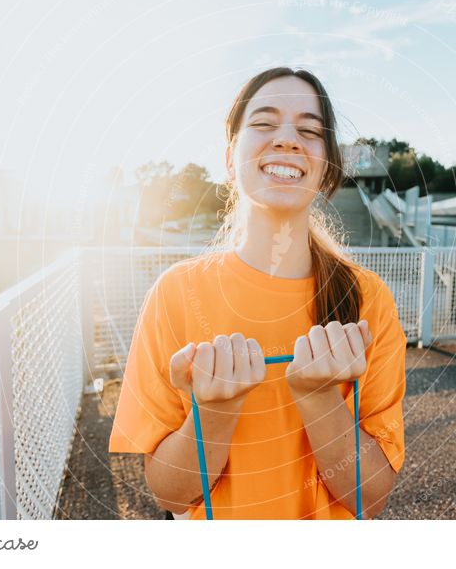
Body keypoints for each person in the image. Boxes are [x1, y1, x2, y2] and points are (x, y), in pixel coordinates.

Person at [109, 67, 407, 519]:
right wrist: (213, 412)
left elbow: (371, 497)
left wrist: (320, 397)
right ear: (230, 157)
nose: (287, 140)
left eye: (309, 130)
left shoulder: (370, 300)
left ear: (328, 166)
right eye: (265, 124)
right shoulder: (175, 293)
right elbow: (170, 495)